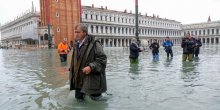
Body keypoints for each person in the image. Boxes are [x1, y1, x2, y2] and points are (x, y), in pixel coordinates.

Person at [69, 24, 107, 101]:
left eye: (78, 32)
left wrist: (91, 67)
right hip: (78, 80)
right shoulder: (76, 44)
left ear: (85, 33)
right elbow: (77, 60)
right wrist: (72, 67)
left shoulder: (95, 43)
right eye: (75, 32)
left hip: (92, 81)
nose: (76, 34)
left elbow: (102, 60)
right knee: (79, 101)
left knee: (96, 103)